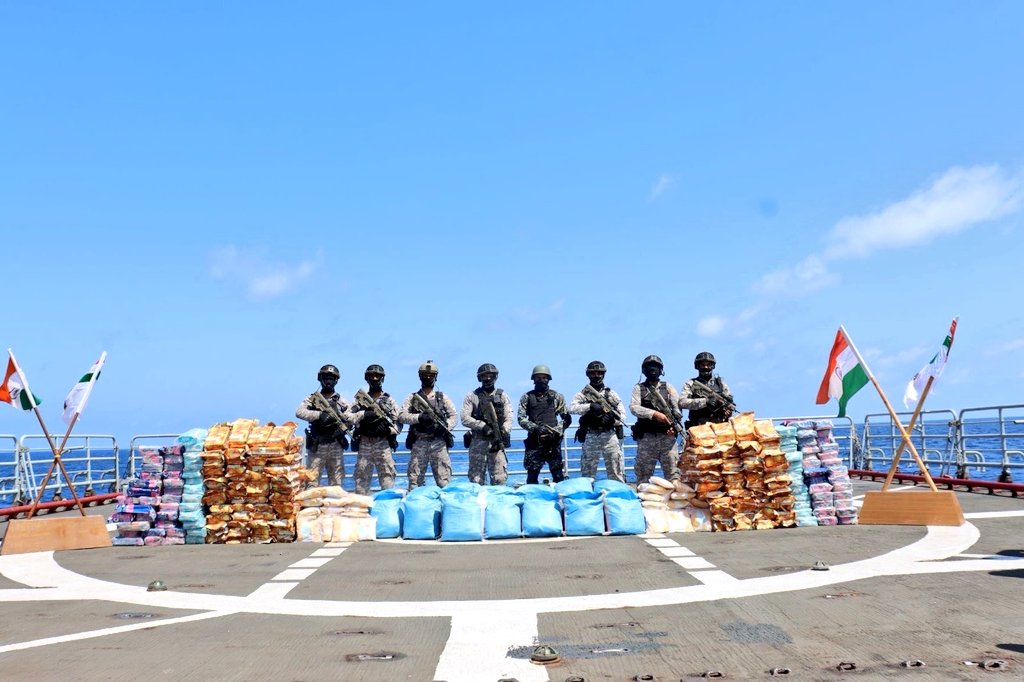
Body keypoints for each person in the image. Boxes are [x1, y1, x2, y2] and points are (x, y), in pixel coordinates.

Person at [398, 360, 458, 489]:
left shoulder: (442, 398)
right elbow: (401, 416)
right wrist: (419, 417)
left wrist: (445, 427)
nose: (428, 377)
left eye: (431, 375)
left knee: (444, 482)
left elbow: (454, 416)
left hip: (438, 443)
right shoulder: (412, 398)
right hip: (420, 441)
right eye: (425, 375)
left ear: (435, 377)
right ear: (420, 376)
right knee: (415, 482)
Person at [295, 364, 352, 488]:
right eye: (325, 378)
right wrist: (319, 415)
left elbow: (350, 417)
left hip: (335, 445)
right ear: (320, 379)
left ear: (336, 381)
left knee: (337, 484)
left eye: (331, 378)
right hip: (318, 445)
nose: (328, 381)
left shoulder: (341, 401)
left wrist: (342, 424)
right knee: (311, 482)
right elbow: (299, 412)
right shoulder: (312, 398)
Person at [569, 360, 627, 482]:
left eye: (599, 373)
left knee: (615, 471)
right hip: (591, 434)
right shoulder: (583, 394)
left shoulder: (611, 394)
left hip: (609, 435)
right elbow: (571, 408)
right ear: (588, 375)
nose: (597, 376)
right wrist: (589, 407)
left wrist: (612, 420)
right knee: (588, 473)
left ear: (603, 374)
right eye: (593, 373)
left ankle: (616, 496)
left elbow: (622, 416)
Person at [349, 364, 402, 495]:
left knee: (387, 481)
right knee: (361, 483)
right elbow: (347, 417)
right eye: (371, 376)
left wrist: (389, 431)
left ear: (382, 378)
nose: (374, 378)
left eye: (377, 376)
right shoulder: (359, 400)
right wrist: (364, 414)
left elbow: (399, 421)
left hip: (383, 444)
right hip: (365, 443)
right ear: (366, 378)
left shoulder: (389, 400)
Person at [629, 354, 682, 485]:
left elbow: (677, 409)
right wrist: (654, 414)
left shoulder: (668, 387)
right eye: (649, 367)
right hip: (647, 438)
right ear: (644, 370)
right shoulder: (639, 388)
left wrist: (674, 428)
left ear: (661, 370)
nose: (652, 369)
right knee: (643, 476)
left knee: (674, 474)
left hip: (667, 438)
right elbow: (634, 407)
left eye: (656, 367)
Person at [517, 365, 572, 484]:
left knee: (558, 476)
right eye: (538, 378)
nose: (541, 380)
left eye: (544, 377)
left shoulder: (557, 396)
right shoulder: (526, 397)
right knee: (532, 476)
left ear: (548, 379)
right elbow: (521, 419)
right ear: (533, 379)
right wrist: (536, 428)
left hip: (553, 442)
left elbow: (566, 419)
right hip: (534, 441)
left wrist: (556, 432)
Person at [461, 363, 513, 486]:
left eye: (490, 375)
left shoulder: (503, 396)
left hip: (496, 442)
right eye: (484, 376)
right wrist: (482, 426)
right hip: (478, 442)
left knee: (499, 479)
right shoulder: (472, 396)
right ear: (480, 378)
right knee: (476, 480)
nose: (488, 378)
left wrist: (504, 431)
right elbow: (464, 418)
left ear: (495, 377)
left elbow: (509, 417)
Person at [678, 351, 734, 428]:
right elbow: (682, 402)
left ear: (713, 366)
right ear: (697, 366)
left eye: (708, 365)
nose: (706, 367)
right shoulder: (691, 383)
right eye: (702, 365)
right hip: (698, 427)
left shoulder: (720, 383)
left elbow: (728, 403)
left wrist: (727, 411)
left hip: (719, 426)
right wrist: (705, 401)